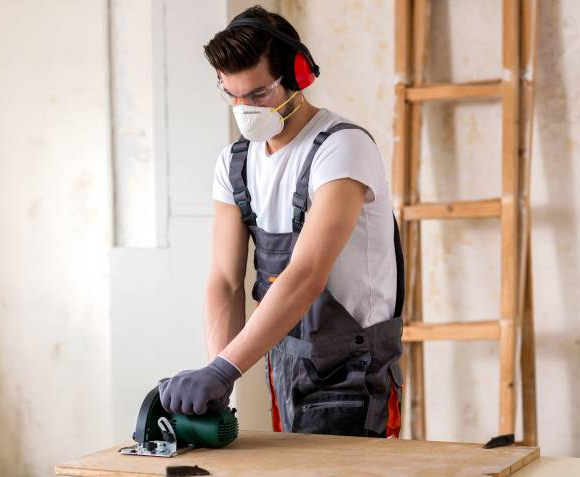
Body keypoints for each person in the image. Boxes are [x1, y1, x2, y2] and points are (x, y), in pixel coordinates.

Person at [158, 5, 404, 438]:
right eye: (231, 94)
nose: (244, 108)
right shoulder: (234, 163)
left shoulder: (341, 148)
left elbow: (306, 275)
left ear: (298, 76)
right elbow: (225, 280)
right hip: (284, 361)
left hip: (352, 374)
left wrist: (226, 367)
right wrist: (222, 378)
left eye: (257, 95)